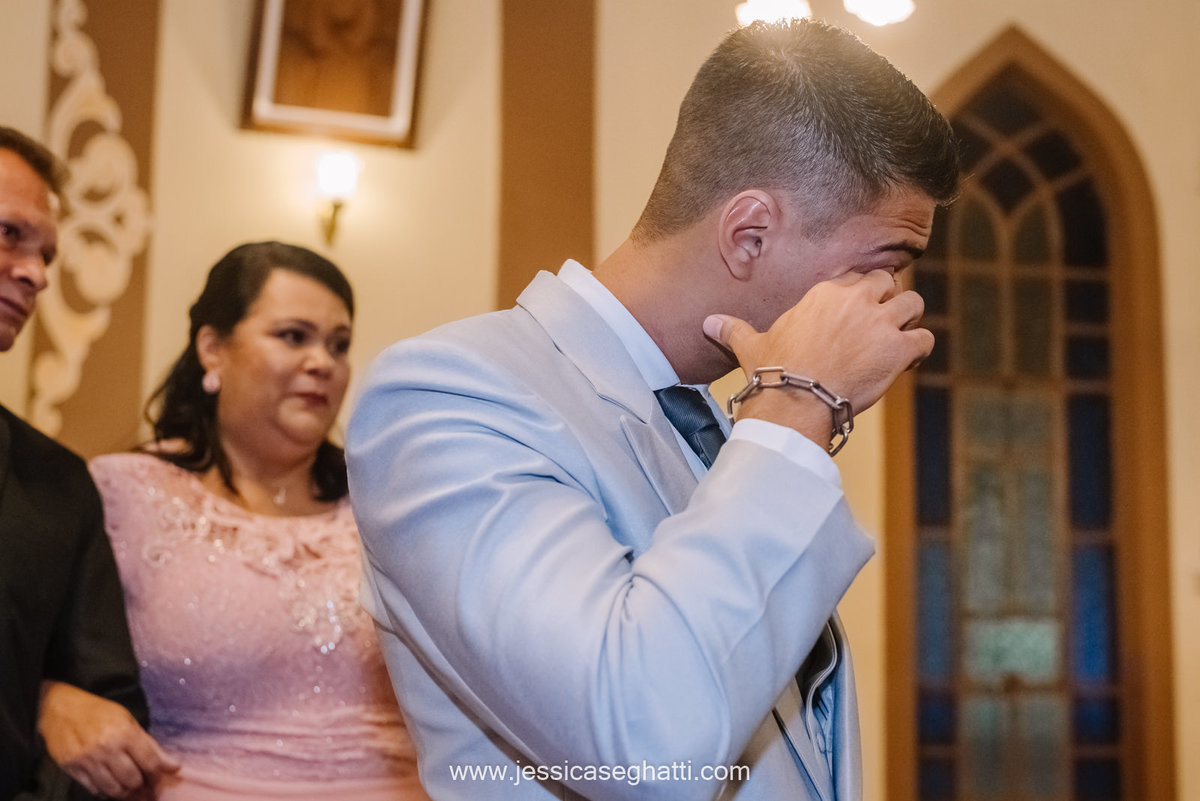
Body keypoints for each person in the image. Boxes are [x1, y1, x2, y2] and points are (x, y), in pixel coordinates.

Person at [346, 18, 959, 801]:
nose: (895, 307)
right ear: (749, 234)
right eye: (881, 266)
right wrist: (798, 406)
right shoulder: (452, 396)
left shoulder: (715, 421)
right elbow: (641, 742)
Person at [88, 241, 430, 800]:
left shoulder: (389, 502)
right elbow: (33, 648)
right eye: (293, 336)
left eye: (339, 345)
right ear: (213, 348)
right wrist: (54, 700)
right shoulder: (122, 493)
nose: (323, 362)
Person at [0, 125, 176, 800]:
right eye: (11, 234)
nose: (39, 272)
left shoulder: (56, 485)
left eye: (45, 251)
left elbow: (107, 705)